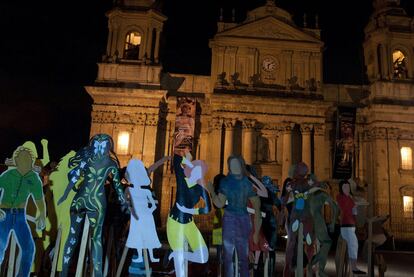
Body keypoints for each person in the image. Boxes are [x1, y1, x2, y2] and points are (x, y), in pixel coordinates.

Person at [58, 134, 128, 277]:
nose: (100, 148)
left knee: (72, 237)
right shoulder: (111, 163)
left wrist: (66, 194)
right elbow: (117, 186)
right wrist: (124, 202)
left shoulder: (87, 159)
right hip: (97, 202)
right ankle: (97, 274)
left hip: (80, 200)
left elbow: (74, 177)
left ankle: (63, 272)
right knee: (96, 239)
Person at [207, 155, 261, 277]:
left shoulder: (226, 182)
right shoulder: (247, 183)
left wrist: (211, 191)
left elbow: (219, 203)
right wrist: (256, 231)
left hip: (231, 218)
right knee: (242, 256)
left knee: (229, 256)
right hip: (242, 219)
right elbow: (257, 207)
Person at [0, 146, 47, 277]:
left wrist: (42, 215)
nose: (26, 161)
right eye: (22, 158)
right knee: (0, 247)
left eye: (28, 159)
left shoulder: (34, 179)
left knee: (29, 249)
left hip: (20, 217)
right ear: (17, 160)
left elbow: (39, 199)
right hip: (4, 215)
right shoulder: (7, 175)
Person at [167, 152, 211, 277]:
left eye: (200, 172)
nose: (197, 173)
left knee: (203, 256)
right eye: (195, 170)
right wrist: (189, 163)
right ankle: (177, 254)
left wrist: (190, 211)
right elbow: (176, 158)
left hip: (189, 223)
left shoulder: (200, 189)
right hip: (175, 221)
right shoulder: (182, 180)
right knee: (180, 268)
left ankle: (176, 254)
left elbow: (207, 208)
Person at [125, 159, 161, 263]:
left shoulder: (146, 191)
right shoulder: (129, 190)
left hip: (146, 215)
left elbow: (154, 205)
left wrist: (148, 211)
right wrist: (131, 210)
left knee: (148, 234)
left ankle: (152, 256)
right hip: (136, 216)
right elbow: (126, 202)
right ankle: (140, 256)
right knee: (137, 236)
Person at [337, 180, 366, 275]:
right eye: (345, 187)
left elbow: (353, 212)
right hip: (346, 226)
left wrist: (355, 208)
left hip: (351, 225)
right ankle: (353, 267)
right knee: (353, 245)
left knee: (353, 245)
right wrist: (353, 204)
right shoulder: (340, 197)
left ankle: (352, 268)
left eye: (348, 187)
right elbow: (344, 207)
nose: (347, 189)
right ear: (341, 188)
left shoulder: (350, 198)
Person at [211, 174, 225, 269]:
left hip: (218, 215)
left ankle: (219, 262)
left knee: (219, 243)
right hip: (226, 214)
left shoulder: (215, 191)